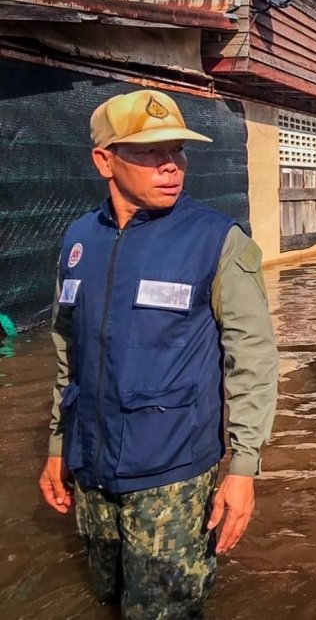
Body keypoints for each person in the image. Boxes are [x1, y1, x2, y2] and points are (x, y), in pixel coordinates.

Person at [38, 90, 279, 617]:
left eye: (177, 150)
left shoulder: (218, 240)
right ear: (105, 160)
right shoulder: (78, 240)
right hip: (92, 466)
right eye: (149, 152)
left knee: (163, 610)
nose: (170, 165)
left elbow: (253, 360)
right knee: (106, 596)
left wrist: (243, 469)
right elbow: (66, 353)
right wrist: (59, 444)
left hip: (173, 474)